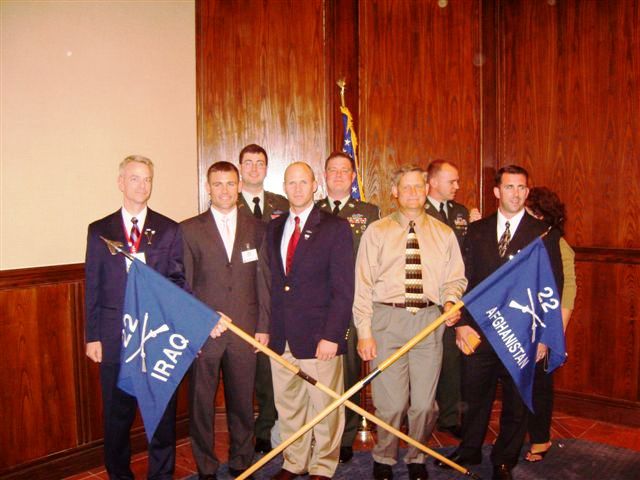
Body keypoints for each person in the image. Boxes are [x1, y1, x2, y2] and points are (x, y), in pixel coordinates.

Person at [437, 165, 563, 480]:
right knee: (474, 394)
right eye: (509, 187)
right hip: (478, 329)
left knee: (516, 401)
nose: (516, 194)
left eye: (522, 188)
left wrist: (545, 338)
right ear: (497, 192)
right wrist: (461, 323)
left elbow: (552, 289)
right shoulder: (476, 231)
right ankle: (469, 450)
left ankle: (505, 458)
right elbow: (462, 279)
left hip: (522, 334)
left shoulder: (543, 234)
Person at [354, 164, 467, 480]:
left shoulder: (444, 234)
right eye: (407, 188)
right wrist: (364, 332)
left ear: (427, 190)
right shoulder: (376, 232)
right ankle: (385, 457)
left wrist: (450, 300)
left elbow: (455, 279)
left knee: (423, 405)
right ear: (395, 192)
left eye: (419, 187)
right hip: (386, 321)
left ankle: (417, 456)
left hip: (429, 323)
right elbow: (362, 286)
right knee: (390, 404)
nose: (414, 193)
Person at [84, 155, 187, 480]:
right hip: (114, 339)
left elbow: (177, 281)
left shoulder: (169, 229)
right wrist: (92, 336)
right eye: (134, 178)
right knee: (117, 417)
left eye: (147, 179)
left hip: (155, 338)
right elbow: (93, 285)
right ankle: (119, 475)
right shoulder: (99, 231)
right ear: (120, 182)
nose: (142, 185)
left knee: (161, 417)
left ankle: (161, 475)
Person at [258, 162, 354, 480]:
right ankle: (294, 461)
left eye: (303, 182)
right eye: (291, 183)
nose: (297, 188)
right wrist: (267, 328)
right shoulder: (272, 228)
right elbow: (272, 284)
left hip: (319, 337)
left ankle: (323, 466)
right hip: (282, 334)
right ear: (284, 187)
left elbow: (343, 289)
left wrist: (333, 335)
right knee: (289, 405)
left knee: (326, 406)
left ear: (315, 185)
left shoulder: (335, 227)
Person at [181, 161, 268, 480]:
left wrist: (263, 326)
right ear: (207, 187)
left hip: (245, 331)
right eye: (218, 184)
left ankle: (241, 461)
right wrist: (199, 321)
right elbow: (184, 284)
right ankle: (205, 467)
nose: (225, 190)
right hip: (205, 331)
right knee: (201, 404)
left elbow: (264, 281)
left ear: (240, 186)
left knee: (243, 403)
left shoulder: (257, 228)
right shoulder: (188, 229)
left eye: (231, 184)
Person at [316, 151, 380, 463]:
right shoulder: (312, 210)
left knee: (353, 372)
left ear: (353, 177)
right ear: (324, 175)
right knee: (323, 371)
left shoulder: (369, 211)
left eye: (345, 171)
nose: (339, 175)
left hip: (355, 304)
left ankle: (347, 434)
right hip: (320, 306)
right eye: (333, 170)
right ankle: (323, 431)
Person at [236, 143, 288, 454]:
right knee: (246, 370)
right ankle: (246, 429)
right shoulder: (228, 202)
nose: (254, 168)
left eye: (260, 163)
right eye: (249, 163)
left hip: (276, 295)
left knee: (270, 369)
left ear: (267, 169)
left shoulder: (281, 203)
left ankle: (268, 426)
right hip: (241, 296)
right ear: (240, 167)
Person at [424, 159, 480, 438]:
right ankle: (420, 415)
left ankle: (449, 416)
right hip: (425, 297)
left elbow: (468, 255)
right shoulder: (417, 211)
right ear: (432, 182)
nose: (457, 186)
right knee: (423, 359)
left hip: (455, 296)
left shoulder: (460, 213)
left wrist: (479, 228)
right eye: (452, 181)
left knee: (452, 359)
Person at [523, 187, 576, 462]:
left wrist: (553, 334)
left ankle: (541, 440)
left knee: (540, 385)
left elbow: (567, 292)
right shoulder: (525, 240)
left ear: (541, 215)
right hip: (520, 323)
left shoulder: (558, 243)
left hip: (545, 325)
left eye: (529, 211)